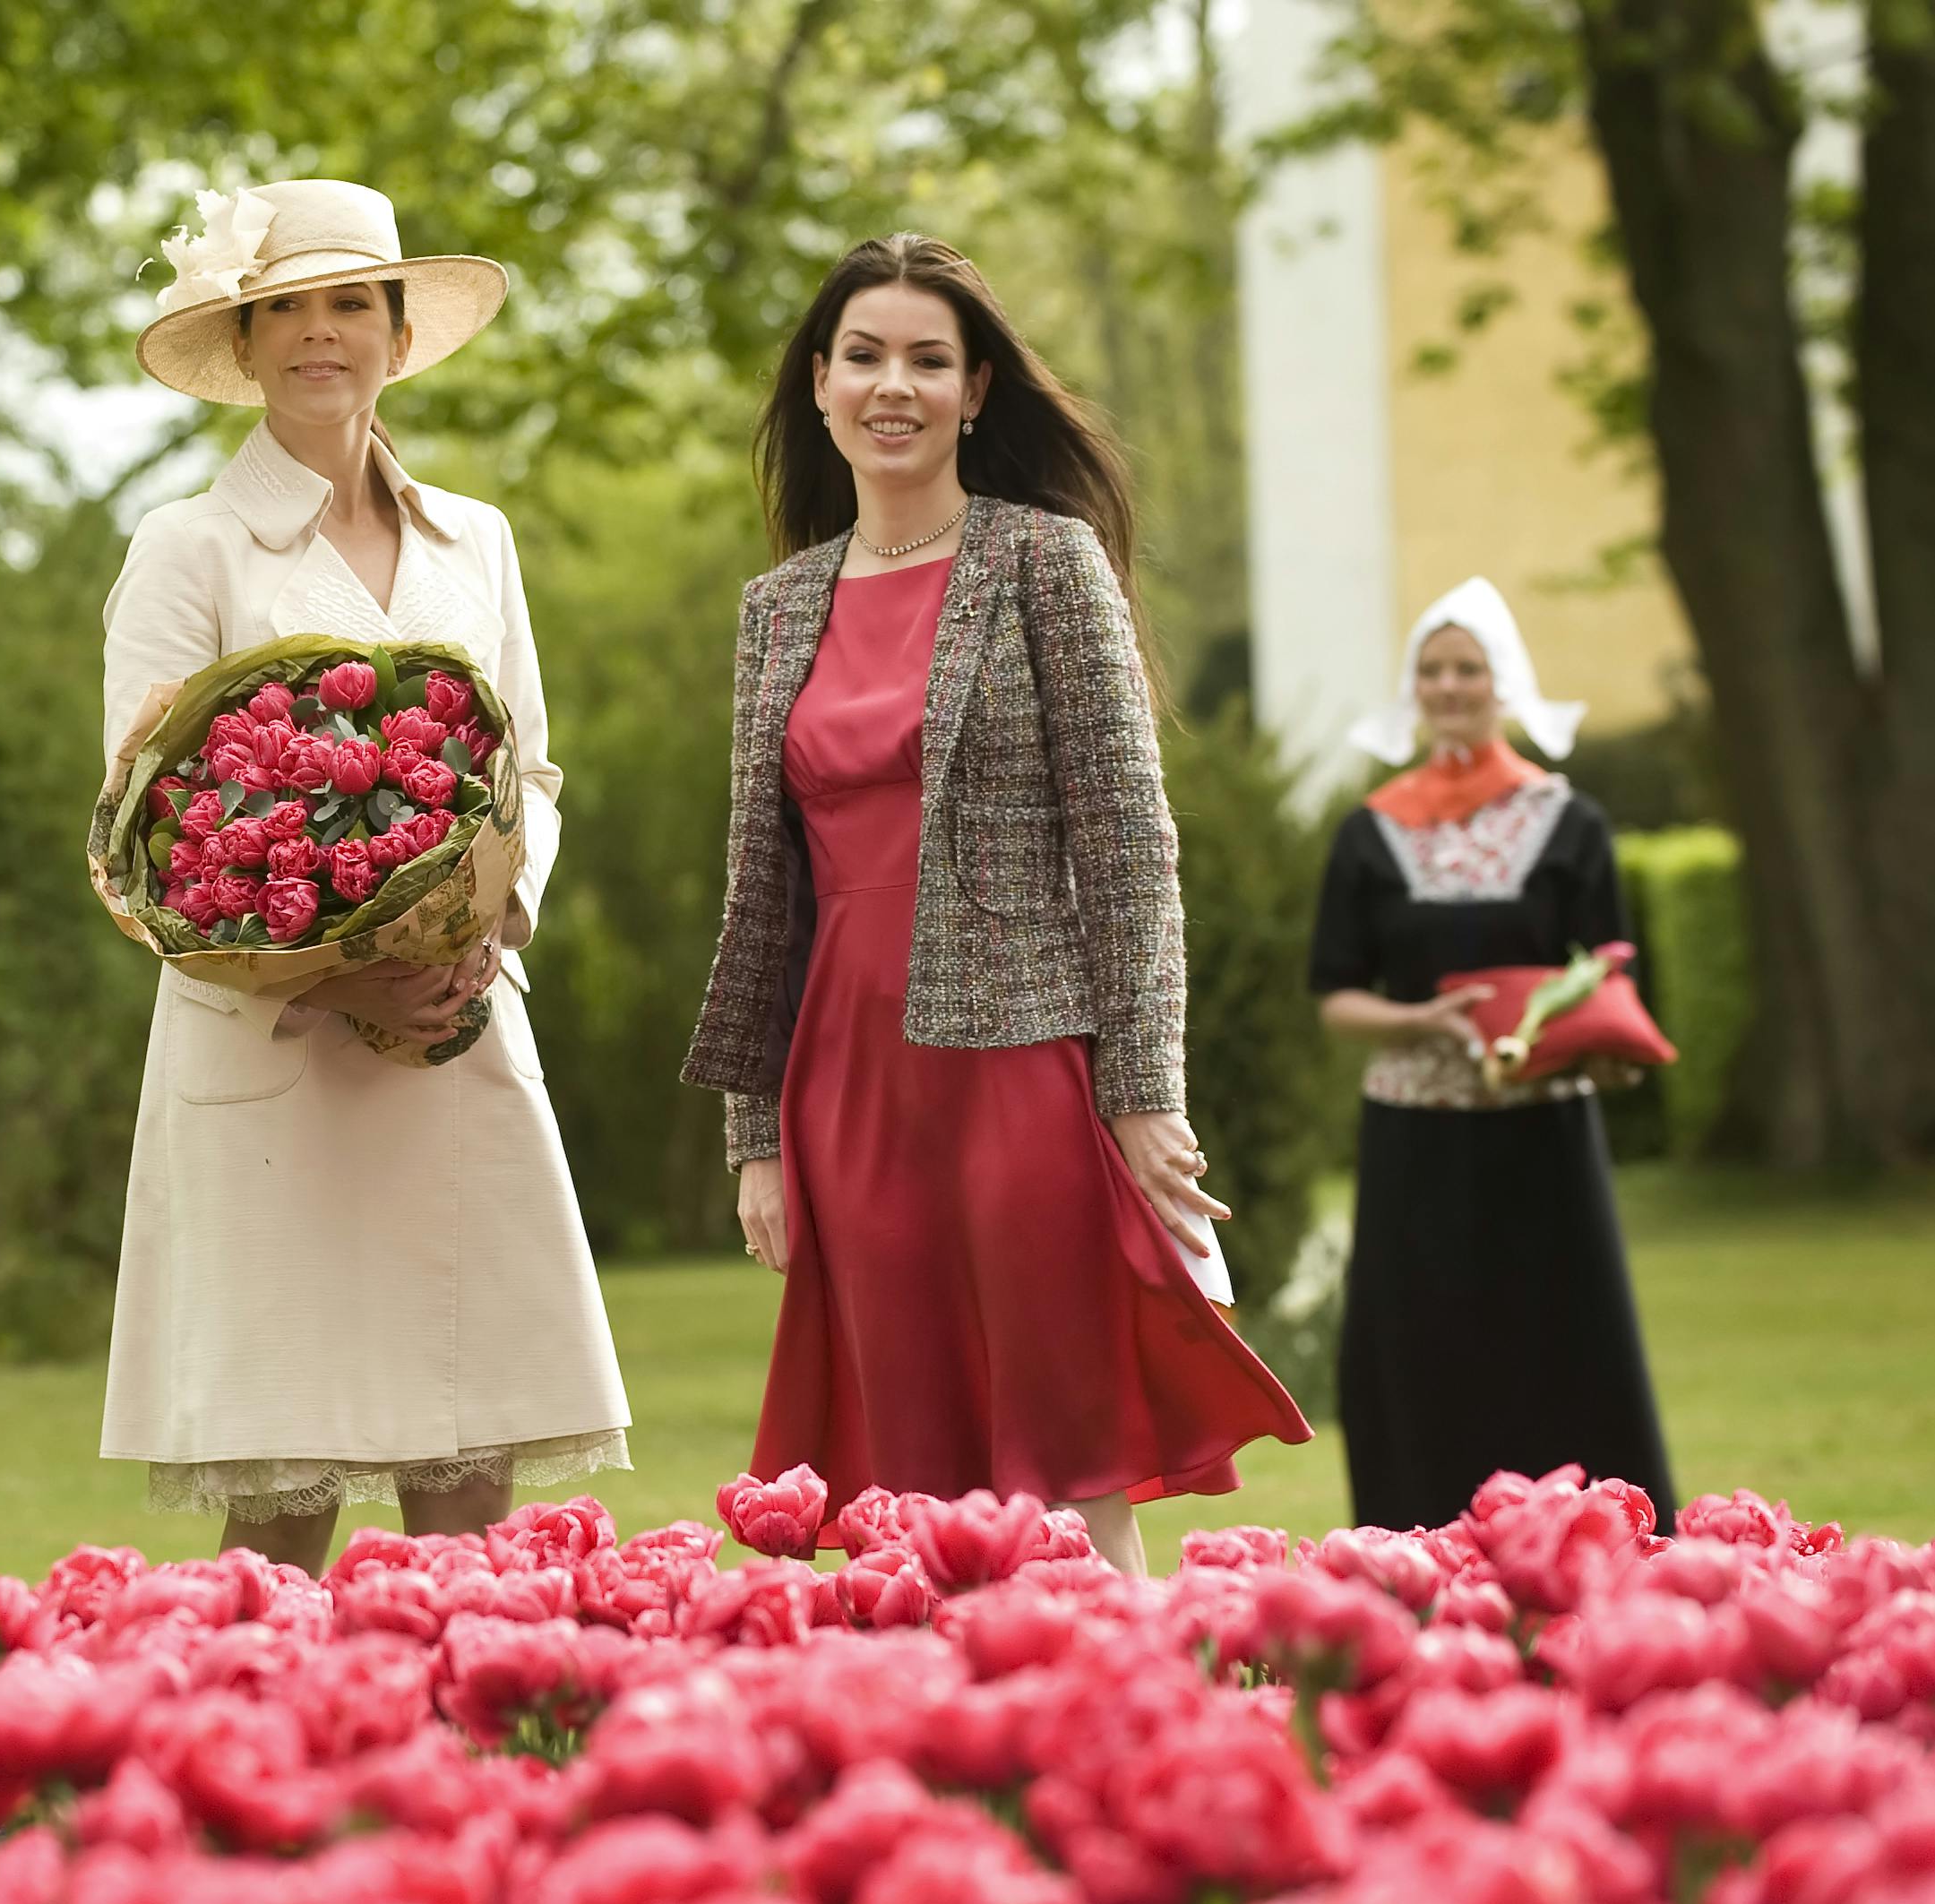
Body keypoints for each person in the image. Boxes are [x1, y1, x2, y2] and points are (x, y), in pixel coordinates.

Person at [681, 234, 1309, 1578]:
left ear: (975, 392)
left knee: (1063, 1443)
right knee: (896, 1470)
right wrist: (755, 1135)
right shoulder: (775, 607)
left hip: (1019, 1057)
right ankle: (932, 1756)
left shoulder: (1045, 561)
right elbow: (762, 892)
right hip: (839, 1080)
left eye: (927, 358)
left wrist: (1143, 1088)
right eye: (863, 357)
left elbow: (1131, 847)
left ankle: (1118, 1730)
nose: (890, 384)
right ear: (818, 383)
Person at [98, 180, 631, 1572]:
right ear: (248, 340)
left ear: (398, 334)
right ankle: (256, 1773)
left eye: (350, 306)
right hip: (279, 1047)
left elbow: (535, 775)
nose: (320, 336)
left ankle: (472, 1769)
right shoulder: (184, 546)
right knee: (284, 1499)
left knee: (470, 1475)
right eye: (286, 311)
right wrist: (340, 959)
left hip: (455, 1037)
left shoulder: (481, 539)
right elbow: (149, 822)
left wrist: (484, 918)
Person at [1310, 576, 1677, 1532]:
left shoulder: (1568, 822)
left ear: (1503, 680)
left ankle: (1598, 1545)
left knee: (1565, 1348)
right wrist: (1422, 1024)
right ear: (1412, 689)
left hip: (1543, 1141)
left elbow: (1609, 972)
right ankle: (1417, 1552)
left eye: (1468, 667)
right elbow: (1338, 999)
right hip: (1413, 1140)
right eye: (1431, 669)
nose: (1449, 685)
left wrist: (1590, 1043)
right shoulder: (1369, 832)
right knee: (1417, 1353)